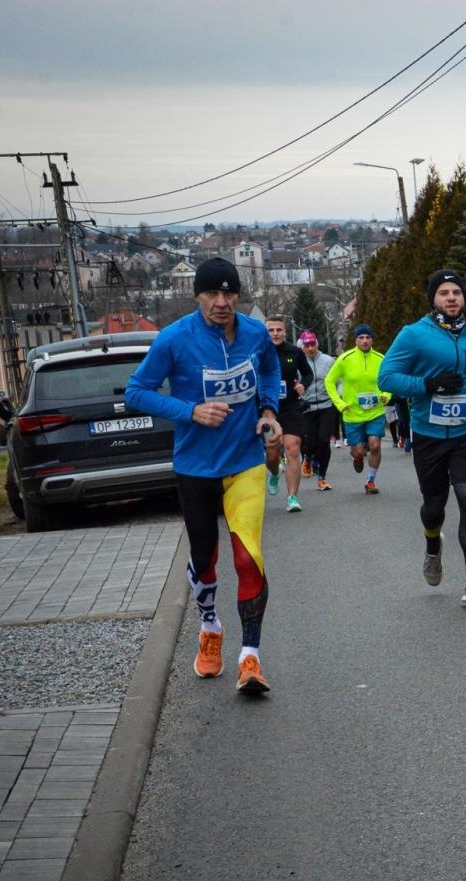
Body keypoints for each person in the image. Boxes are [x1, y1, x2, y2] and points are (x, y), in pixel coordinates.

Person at [125, 258, 281, 695]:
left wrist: (268, 409)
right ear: (198, 296)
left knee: (248, 557)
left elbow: (270, 369)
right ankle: (210, 628)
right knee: (205, 558)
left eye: (229, 294)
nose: (221, 302)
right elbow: (137, 392)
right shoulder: (175, 339)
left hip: (245, 462)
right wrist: (189, 410)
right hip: (195, 467)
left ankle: (250, 657)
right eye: (212, 294)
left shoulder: (254, 332)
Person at [377, 269, 466, 606]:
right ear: (433, 298)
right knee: (434, 508)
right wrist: (427, 385)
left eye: (457, 293)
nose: (451, 298)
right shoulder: (414, 335)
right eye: (444, 293)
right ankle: (433, 543)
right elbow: (386, 377)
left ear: (465, 299)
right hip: (429, 434)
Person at [325, 324, 388, 494]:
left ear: (372, 339)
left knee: (375, 445)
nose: (365, 341)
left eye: (368, 337)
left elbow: (389, 379)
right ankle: (358, 458)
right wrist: (340, 403)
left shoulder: (381, 359)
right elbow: (329, 381)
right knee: (358, 452)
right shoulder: (345, 359)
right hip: (352, 414)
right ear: (356, 340)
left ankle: (371, 481)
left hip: (375, 411)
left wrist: (386, 395)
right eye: (361, 338)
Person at [264, 315, 315, 512]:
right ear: (265, 332)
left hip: (291, 407)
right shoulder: (258, 352)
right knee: (273, 452)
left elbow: (308, 373)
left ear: (284, 331)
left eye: (279, 330)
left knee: (293, 448)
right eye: (271, 330)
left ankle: (292, 497)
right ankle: (275, 472)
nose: (275, 333)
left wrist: (304, 385)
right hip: (268, 409)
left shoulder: (294, 351)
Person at [297, 330, 338, 492]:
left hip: (326, 405)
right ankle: (307, 457)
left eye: (313, 344)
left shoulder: (328, 361)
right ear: (302, 347)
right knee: (310, 442)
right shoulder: (299, 362)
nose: (310, 348)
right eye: (307, 345)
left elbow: (338, 380)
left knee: (324, 440)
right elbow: (293, 381)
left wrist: (338, 395)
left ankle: (322, 477)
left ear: (317, 344)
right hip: (307, 407)